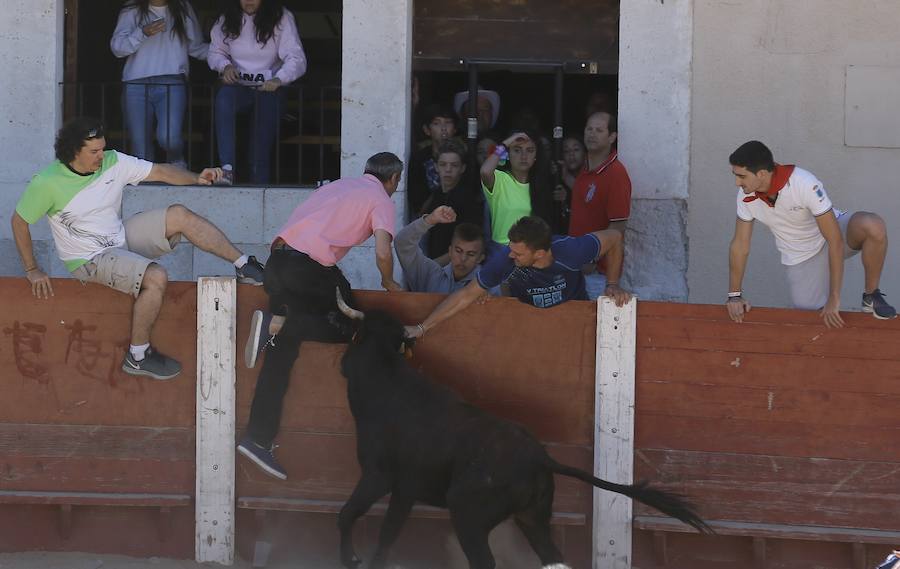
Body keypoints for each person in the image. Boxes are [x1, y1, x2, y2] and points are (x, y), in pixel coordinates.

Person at [10, 117, 265, 381]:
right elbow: (19, 222)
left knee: (179, 215)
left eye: (102, 148)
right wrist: (32, 269)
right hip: (89, 259)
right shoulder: (48, 182)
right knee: (156, 278)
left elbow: (161, 172)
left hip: (119, 237)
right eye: (94, 152)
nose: (101, 155)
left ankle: (245, 265)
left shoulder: (113, 161)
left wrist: (197, 178)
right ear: (74, 151)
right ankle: (138, 355)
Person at [238, 152, 404, 480]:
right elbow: (383, 251)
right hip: (308, 269)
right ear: (394, 180)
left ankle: (258, 437)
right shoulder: (380, 198)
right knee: (352, 324)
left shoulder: (339, 186)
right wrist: (388, 282)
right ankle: (276, 324)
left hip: (277, 264)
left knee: (281, 352)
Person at [726, 140, 895, 327]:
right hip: (801, 256)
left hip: (832, 235)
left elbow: (834, 239)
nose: (736, 182)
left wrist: (834, 297)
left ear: (761, 174)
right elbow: (740, 245)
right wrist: (734, 295)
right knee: (809, 322)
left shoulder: (803, 182)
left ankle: (871, 296)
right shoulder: (745, 196)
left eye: (741, 176)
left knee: (873, 225)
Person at [405, 216, 631, 339]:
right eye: (511, 248)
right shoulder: (506, 258)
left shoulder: (571, 250)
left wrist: (612, 284)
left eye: (519, 253)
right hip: (527, 325)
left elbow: (613, 238)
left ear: (540, 253)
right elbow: (465, 295)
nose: (511, 255)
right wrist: (422, 328)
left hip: (573, 320)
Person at [207, 0, 307, 184]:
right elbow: (215, 52)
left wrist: (280, 79)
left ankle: (259, 182)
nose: (249, 1)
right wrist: (225, 66)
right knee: (224, 98)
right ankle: (227, 169)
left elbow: (296, 56)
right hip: (238, 87)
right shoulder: (226, 18)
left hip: (270, 89)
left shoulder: (281, 17)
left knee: (260, 144)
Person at [110, 0, 208, 167]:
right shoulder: (132, 8)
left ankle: (176, 162)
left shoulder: (182, 7)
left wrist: (227, 60)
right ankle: (146, 184)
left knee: (169, 137)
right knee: (140, 147)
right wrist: (142, 32)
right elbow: (117, 48)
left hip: (172, 80)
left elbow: (196, 47)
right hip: (136, 83)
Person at [568, 112, 632, 300]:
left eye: (599, 130)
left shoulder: (616, 173)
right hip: (577, 267)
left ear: (612, 137)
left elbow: (618, 226)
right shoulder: (585, 168)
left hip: (597, 274)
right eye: (589, 129)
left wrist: (592, 257)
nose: (592, 134)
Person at [481, 131, 556, 249]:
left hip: (530, 253)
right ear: (508, 154)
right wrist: (505, 144)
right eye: (517, 150)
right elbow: (485, 171)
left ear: (536, 156)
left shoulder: (540, 186)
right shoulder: (499, 178)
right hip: (502, 251)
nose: (524, 156)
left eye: (530, 150)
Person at [395, 205, 485, 294]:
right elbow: (403, 243)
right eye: (458, 251)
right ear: (450, 251)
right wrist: (430, 220)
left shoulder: (489, 285)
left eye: (471, 254)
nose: (463, 258)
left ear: (480, 258)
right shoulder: (431, 274)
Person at [419, 139, 482, 258]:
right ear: (436, 167)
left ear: (462, 168)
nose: (448, 169)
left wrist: (434, 266)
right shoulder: (435, 195)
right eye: (443, 164)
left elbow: (468, 244)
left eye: (454, 165)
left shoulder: (467, 200)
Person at [407, 104, 458, 219]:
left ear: (455, 129)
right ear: (427, 130)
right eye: (437, 123)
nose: (443, 128)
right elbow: (417, 204)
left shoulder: (463, 157)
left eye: (448, 122)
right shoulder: (419, 159)